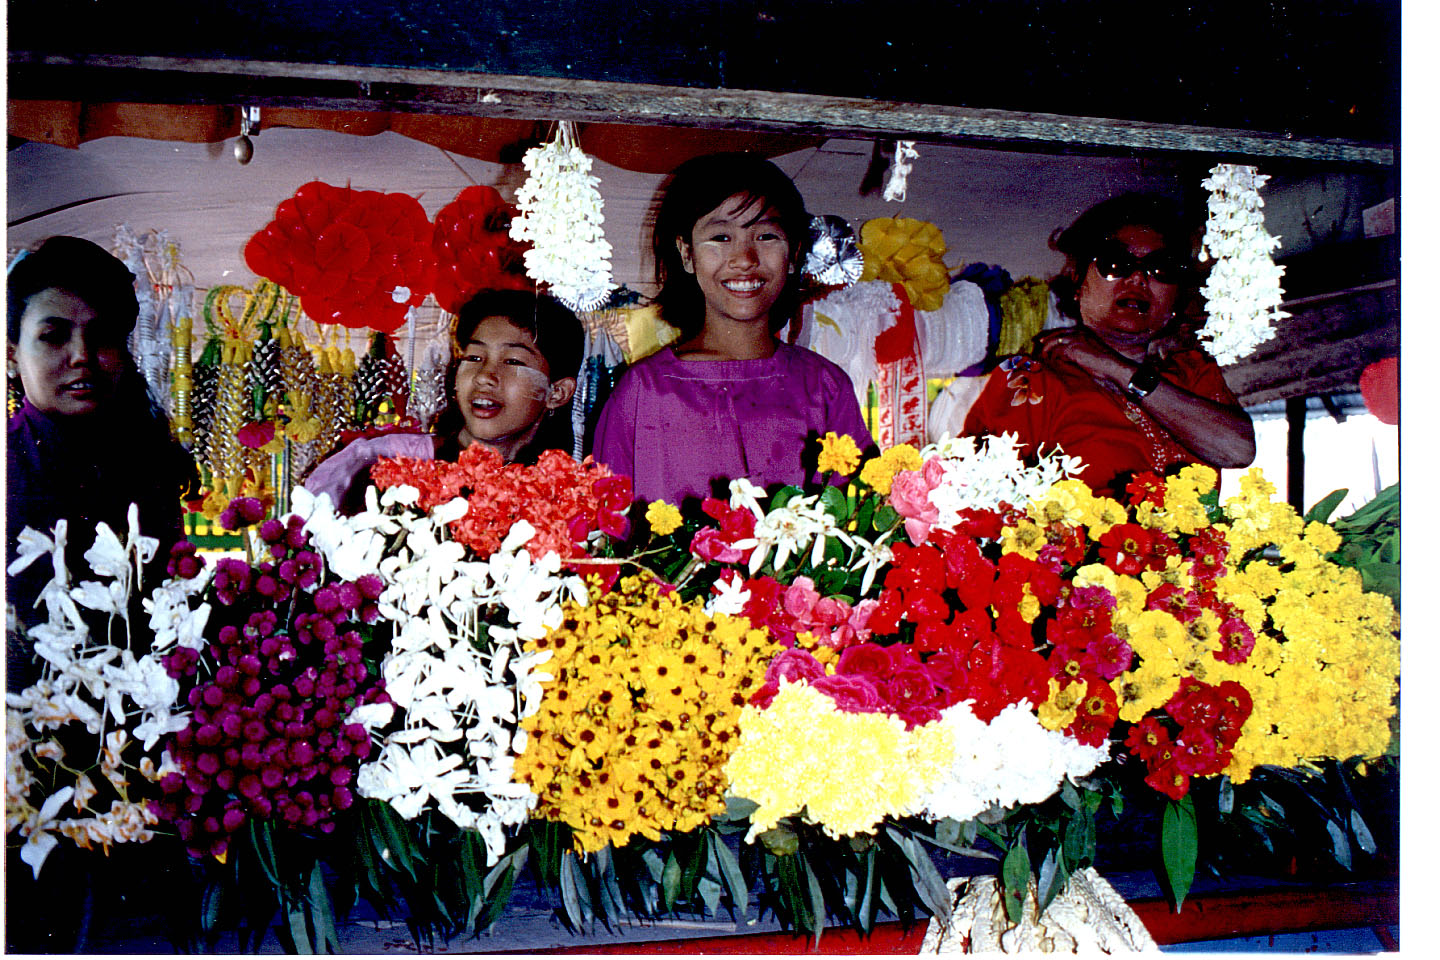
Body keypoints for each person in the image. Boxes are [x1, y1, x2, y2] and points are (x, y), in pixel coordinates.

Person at [593, 152, 872, 506]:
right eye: (721, 238)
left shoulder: (825, 386)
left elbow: (858, 520)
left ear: (795, 252)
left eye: (767, 236)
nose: (744, 259)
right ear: (687, 254)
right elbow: (604, 533)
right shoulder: (642, 393)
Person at [963, 194, 1255, 496]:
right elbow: (985, 500)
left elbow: (1239, 451)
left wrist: (1117, 369)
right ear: (1078, 283)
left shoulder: (1193, 372)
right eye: (1117, 263)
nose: (1139, 278)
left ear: (1176, 297)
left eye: (1160, 268)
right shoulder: (1032, 379)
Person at [6, 236, 197, 687]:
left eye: (103, 336)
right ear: (11, 356)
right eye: (53, 337)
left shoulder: (147, 464)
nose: (82, 356)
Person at [303, 288, 583, 514]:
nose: (485, 376)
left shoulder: (569, 498)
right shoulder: (383, 464)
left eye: (512, 361)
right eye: (474, 357)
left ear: (557, 392)